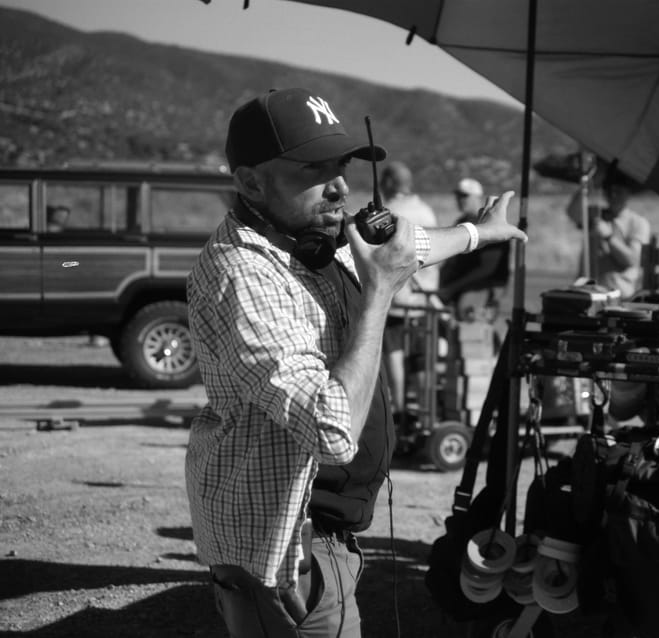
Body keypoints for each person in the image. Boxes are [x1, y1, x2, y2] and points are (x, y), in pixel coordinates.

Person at [184, 87, 525, 638]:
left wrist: (477, 233)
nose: (340, 185)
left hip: (322, 538)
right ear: (250, 182)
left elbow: (404, 243)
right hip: (285, 550)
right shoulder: (242, 274)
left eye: (340, 165)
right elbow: (332, 432)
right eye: (314, 170)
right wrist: (379, 294)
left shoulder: (311, 234)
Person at [378, 161, 443, 417]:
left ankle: (400, 411)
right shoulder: (426, 211)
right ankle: (426, 413)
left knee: (394, 351)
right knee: (421, 357)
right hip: (425, 298)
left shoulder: (389, 212)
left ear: (389, 184)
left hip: (397, 297)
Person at [437, 177, 511, 329]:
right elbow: (451, 256)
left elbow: (487, 268)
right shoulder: (461, 221)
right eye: (458, 196)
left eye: (465, 196)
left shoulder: (490, 223)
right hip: (461, 285)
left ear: (477, 197)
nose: (460, 200)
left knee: (468, 321)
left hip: (482, 287)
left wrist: (453, 287)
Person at [565, 170, 650, 299]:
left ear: (628, 193)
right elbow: (572, 212)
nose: (613, 195)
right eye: (610, 191)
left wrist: (609, 236)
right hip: (587, 291)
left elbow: (632, 260)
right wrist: (587, 184)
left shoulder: (638, 223)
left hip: (619, 294)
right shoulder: (595, 214)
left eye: (618, 191)